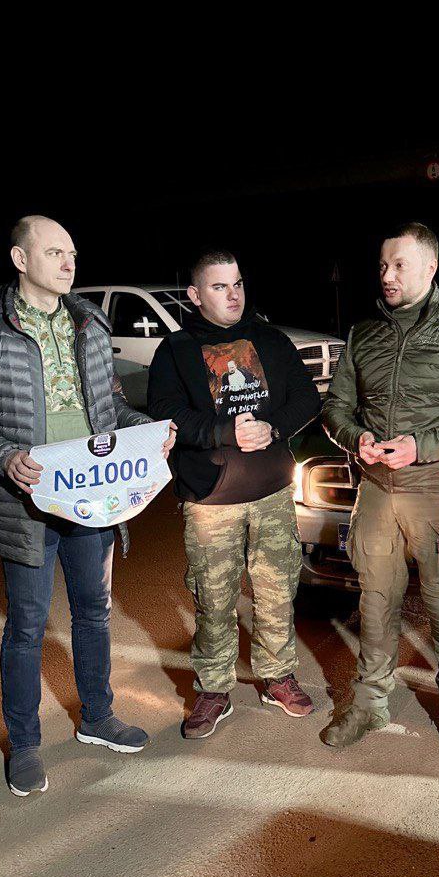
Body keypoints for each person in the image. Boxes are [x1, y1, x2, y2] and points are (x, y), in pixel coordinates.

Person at [0, 216, 174, 797]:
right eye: (54, 253)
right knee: (26, 625)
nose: (69, 263)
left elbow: (110, 408)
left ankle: (98, 717)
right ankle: (24, 745)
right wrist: (3, 456)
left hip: (90, 496)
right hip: (26, 503)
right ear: (20, 260)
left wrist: (147, 434)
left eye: (72, 253)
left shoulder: (89, 323)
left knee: (94, 611)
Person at [321, 222, 439, 752]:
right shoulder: (363, 333)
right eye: (383, 265)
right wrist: (355, 437)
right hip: (376, 489)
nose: (387, 275)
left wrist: (422, 446)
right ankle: (369, 704)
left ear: (430, 267)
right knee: (376, 600)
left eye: (399, 265)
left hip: (436, 488)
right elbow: (335, 407)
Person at [147, 250, 322, 737]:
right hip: (210, 499)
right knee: (214, 599)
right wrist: (225, 433)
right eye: (220, 286)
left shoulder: (270, 339)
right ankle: (214, 688)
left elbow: (307, 397)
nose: (233, 294)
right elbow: (166, 412)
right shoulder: (176, 350)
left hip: (272, 492)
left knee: (277, 591)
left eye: (238, 283)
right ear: (195, 294)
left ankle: (277, 676)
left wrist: (273, 427)